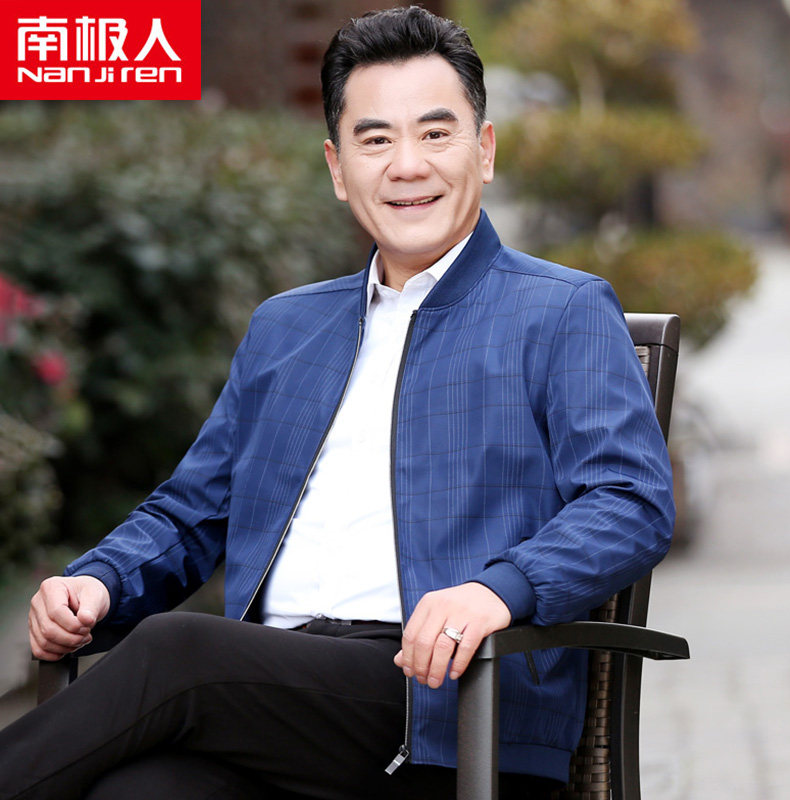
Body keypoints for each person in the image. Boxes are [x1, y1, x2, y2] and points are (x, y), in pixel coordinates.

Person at [0, 6, 674, 799]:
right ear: (338, 167)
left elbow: (630, 500)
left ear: (484, 150)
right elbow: (192, 512)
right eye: (375, 140)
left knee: (176, 651)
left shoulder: (560, 311)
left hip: (448, 704)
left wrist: (498, 588)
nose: (407, 165)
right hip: (270, 704)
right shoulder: (287, 327)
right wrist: (101, 582)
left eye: (436, 133)